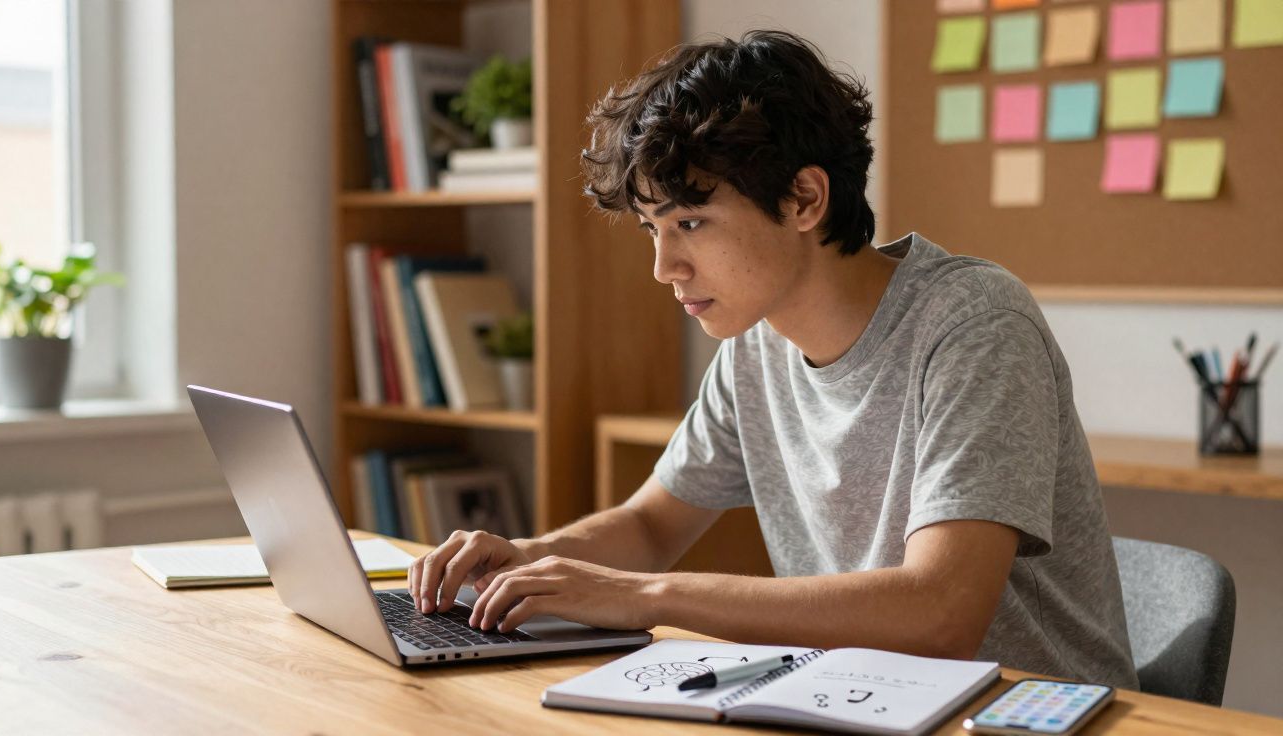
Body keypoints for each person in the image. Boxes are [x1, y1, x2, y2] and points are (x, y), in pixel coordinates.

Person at [410, 30, 1139, 689]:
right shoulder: (754, 342)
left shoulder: (974, 326)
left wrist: (646, 597)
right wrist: (524, 561)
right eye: (652, 229)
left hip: (1028, 710)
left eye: (690, 222)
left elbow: (940, 613)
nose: (665, 266)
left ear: (804, 198)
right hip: (866, 701)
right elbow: (652, 526)